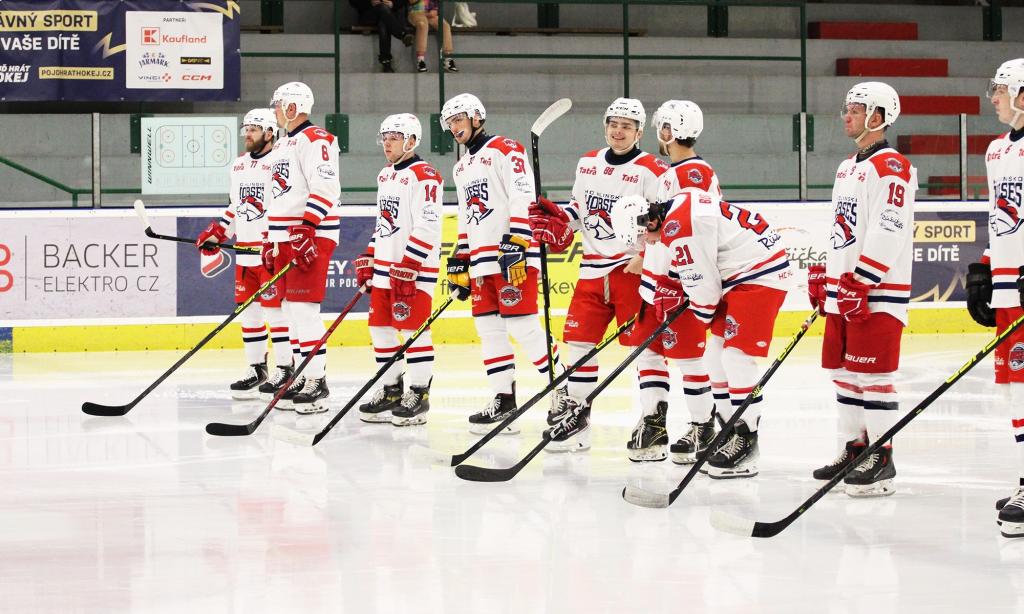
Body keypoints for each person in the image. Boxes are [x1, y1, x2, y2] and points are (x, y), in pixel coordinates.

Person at [610, 187, 792, 479]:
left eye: (644, 237)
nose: (646, 244)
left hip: (760, 275)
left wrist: (689, 302)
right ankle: (730, 429)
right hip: (737, 274)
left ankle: (747, 439)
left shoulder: (679, 228)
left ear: (651, 222)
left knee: (736, 358)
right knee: (714, 357)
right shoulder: (676, 207)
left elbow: (705, 292)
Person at [530, 98, 669, 454]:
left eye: (626, 126)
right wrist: (559, 219)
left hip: (631, 270)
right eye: (613, 124)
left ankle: (654, 424)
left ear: (639, 132)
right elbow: (578, 210)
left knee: (646, 350)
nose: (618, 131)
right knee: (578, 344)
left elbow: (665, 221)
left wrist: (645, 255)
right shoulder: (588, 162)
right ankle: (577, 419)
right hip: (592, 269)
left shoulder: (652, 169)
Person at [806, 81, 917, 496]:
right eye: (846, 108)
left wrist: (863, 280)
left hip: (875, 294)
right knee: (842, 373)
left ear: (878, 115)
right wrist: (826, 274)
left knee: (874, 376)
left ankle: (881, 457)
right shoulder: (847, 166)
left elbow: (889, 228)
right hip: (845, 290)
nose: (846, 115)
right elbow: (842, 230)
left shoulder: (893, 167)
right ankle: (855, 448)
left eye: (855, 109)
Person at [441, 92, 565, 434]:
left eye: (459, 119)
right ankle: (503, 400)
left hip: (512, 256)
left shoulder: (506, 149)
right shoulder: (461, 166)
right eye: (450, 122)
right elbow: (467, 216)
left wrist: (520, 240)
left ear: (477, 117)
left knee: (523, 327)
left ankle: (563, 391)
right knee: (489, 331)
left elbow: (522, 195)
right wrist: (461, 257)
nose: (454, 127)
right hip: (482, 262)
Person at [195, 109, 292, 401]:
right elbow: (235, 208)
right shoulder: (238, 165)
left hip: (270, 253)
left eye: (254, 128)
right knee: (248, 314)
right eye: (245, 128)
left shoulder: (280, 162)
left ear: (270, 132)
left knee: (276, 313)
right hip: (244, 254)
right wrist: (218, 233)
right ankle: (257, 367)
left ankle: (286, 369)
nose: (247, 134)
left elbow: (286, 206)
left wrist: (276, 240)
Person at [354, 113, 443, 426]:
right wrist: (369, 254)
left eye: (394, 136)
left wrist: (410, 263)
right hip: (385, 268)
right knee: (381, 328)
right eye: (385, 136)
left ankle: (419, 393)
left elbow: (430, 224)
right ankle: (392, 389)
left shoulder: (425, 175)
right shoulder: (386, 175)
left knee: (413, 331)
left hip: (413, 271)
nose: (387, 142)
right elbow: (384, 225)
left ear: (412, 141)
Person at [262, 81, 342, 415]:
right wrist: (270, 238)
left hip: (309, 234)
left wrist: (308, 227)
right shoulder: (283, 145)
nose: (277, 111)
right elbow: (277, 197)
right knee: (291, 310)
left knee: (305, 309)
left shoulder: (316, 139)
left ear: (293, 107)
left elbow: (326, 187)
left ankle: (317, 380)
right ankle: (302, 374)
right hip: (285, 237)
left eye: (280, 104)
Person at [970, 58, 1024, 537]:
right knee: (1013, 385)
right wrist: (985, 268)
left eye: (1000, 89)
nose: (993, 97)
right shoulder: (995, 151)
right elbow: (998, 213)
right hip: (1010, 283)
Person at [349, 0, 414, 73]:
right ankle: (401, 34)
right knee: (382, 9)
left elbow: (403, 1)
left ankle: (386, 64)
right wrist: (369, 3)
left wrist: (393, 4)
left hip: (389, 16)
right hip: (368, 15)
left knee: (383, 22)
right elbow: (353, 2)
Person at [409, 0, 457, 73]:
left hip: (430, 14)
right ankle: (420, 60)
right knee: (423, 24)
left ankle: (448, 59)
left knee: (445, 26)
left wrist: (435, 10)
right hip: (416, 12)